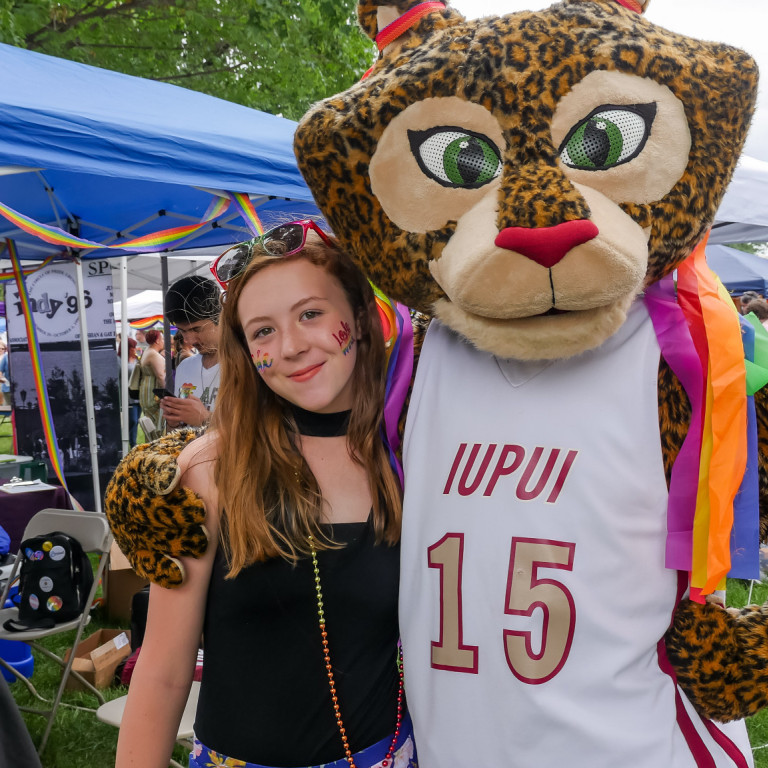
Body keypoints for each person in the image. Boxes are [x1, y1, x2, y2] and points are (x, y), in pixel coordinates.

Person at [115, 222, 414, 768]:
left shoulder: (407, 459)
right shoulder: (207, 471)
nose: (293, 346)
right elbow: (161, 671)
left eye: (311, 314)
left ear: (362, 319)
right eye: (262, 332)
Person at [162, 276, 221, 429]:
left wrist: (205, 419)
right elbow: (176, 431)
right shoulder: (185, 367)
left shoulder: (247, 366)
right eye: (183, 331)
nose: (189, 340)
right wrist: (174, 421)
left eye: (196, 329)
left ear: (220, 318)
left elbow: (259, 432)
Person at [138, 328, 165, 428]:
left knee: (150, 427)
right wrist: (167, 394)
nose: (163, 342)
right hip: (154, 396)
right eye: (162, 339)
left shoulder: (147, 351)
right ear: (157, 340)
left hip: (147, 393)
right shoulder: (153, 354)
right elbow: (161, 376)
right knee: (156, 427)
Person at [117, 337, 141, 446]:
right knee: (133, 420)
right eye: (133, 347)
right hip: (127, 396)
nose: (135, 349)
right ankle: (130, 442)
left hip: (138, 395)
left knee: (136, 421)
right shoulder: (119, 361)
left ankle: (133, 443)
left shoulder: (137, 359)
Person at [0, 339, 10, 406]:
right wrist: (6, 382)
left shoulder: (6, 356)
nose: (0, 350)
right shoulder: (6, 357)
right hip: (6, 388)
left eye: (2, 348)